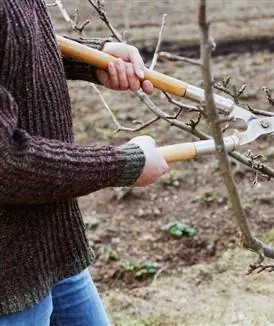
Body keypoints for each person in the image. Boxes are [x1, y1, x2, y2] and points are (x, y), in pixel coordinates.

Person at [0, 0, 169, 324]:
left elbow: (14, 42)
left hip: (52, 243)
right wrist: (120, 164)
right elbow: (4, 162)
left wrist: (91, 58)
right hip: (8, 281)